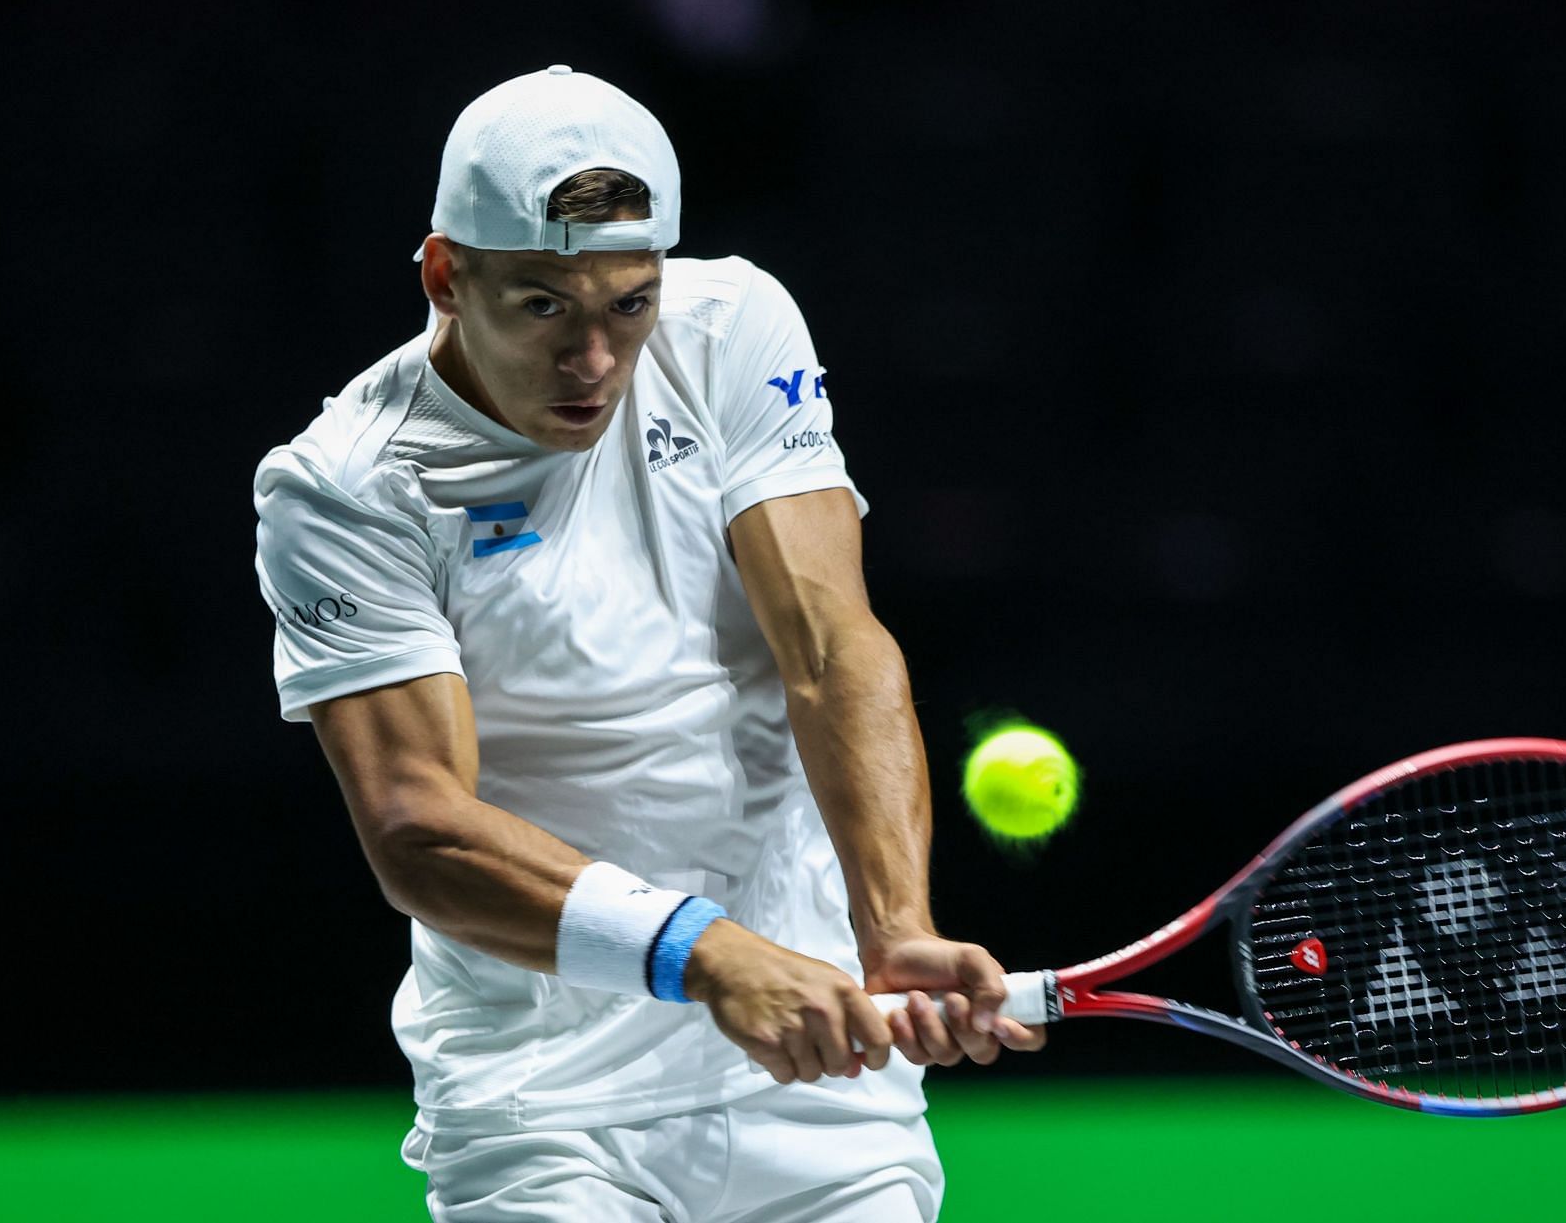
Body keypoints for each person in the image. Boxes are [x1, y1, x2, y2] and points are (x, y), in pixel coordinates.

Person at [252, 65, 1043, 1221]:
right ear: (444, 275)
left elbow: (831, 648)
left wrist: (896, 925)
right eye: (543, 307)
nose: (594, 360)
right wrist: (710, 954)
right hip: (544, 1102)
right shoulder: (341, 486)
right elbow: (420, 828)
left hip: (818, 1074)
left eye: (629, 303)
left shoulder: (733, 327)